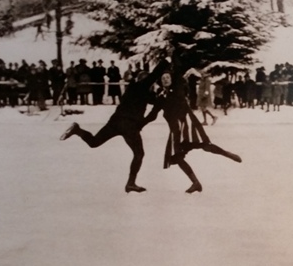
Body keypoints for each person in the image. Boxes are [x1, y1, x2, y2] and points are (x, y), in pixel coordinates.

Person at [59, 60, 171, 193]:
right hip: (129, 126)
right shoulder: (142, 86)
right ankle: (131, 183)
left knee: (94, 142)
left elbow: (153, 100)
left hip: (115, 122)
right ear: (145, 81)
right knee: (139, 154)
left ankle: (77, 130)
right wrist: (166, 61)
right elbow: (154, 76)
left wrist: (162, 95)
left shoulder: (133, 89)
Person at [146, 67, 241, 193]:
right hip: (176, 130)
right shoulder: (161, 96)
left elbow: (178, 74)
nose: (165, 80)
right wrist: (140, 124)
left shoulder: (178, 89)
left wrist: (171, 59)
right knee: (177, 157)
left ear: (172, 79)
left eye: (168, 77)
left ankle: (228, 154)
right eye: (163, 78)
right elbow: (153, 113)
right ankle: (196, 183)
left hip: (187, 125)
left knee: (204, 145)